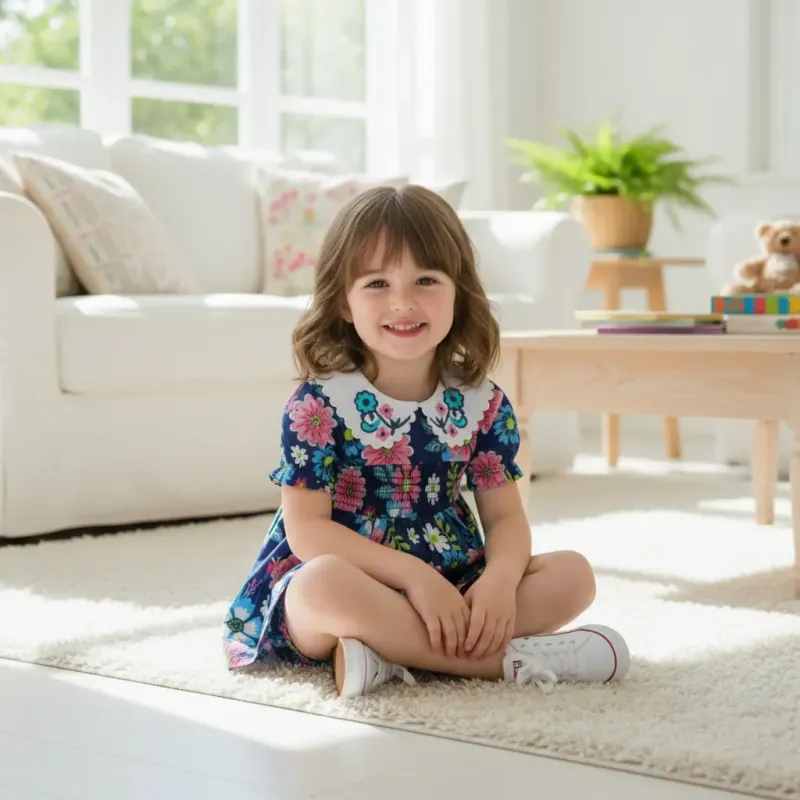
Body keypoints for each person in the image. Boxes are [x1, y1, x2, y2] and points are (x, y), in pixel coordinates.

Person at [223, 184, 630, 697]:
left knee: (574, 576)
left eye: (426, 280)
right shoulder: (317, 405)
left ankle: (388, 655)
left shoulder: (483, 403)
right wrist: (416, 578)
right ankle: (505, 665)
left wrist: (500, 582)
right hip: (350, 581)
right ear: (343, 303)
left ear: (458, 292)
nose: (403, 302)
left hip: (453, 584)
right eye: (376, 283)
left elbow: (505, 518)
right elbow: (309, 534)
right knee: (321, 585)